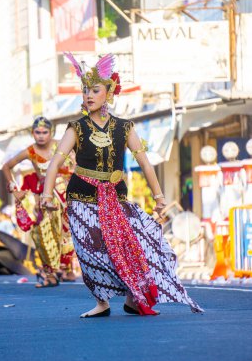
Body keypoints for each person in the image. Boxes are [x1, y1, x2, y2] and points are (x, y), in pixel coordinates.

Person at [41, 53, 204, 316]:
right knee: (89, 251)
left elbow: (146, 163)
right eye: (85, 90)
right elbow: (56, 161)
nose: (89, 95)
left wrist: (159, 195)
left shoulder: (125, 127)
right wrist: (47, 193)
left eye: (95, 90)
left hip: (116, 197)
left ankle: (132, 297)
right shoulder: (76, 127)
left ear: (110, 93)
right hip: (82, 196)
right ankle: (102, 303)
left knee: (133, 245)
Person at [2, 117, 75, 287]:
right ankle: (49, 273)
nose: (41, 136)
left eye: (45, 132)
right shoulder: (30, 151)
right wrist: (14, 188)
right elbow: (6, 166)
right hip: (46, 198)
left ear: (51, 133)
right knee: (41, 233)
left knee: (67, 235)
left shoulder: (61, 145)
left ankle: (66, 270)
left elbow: (77, 164)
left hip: (66, 198)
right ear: (32, 133)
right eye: (37, 132)